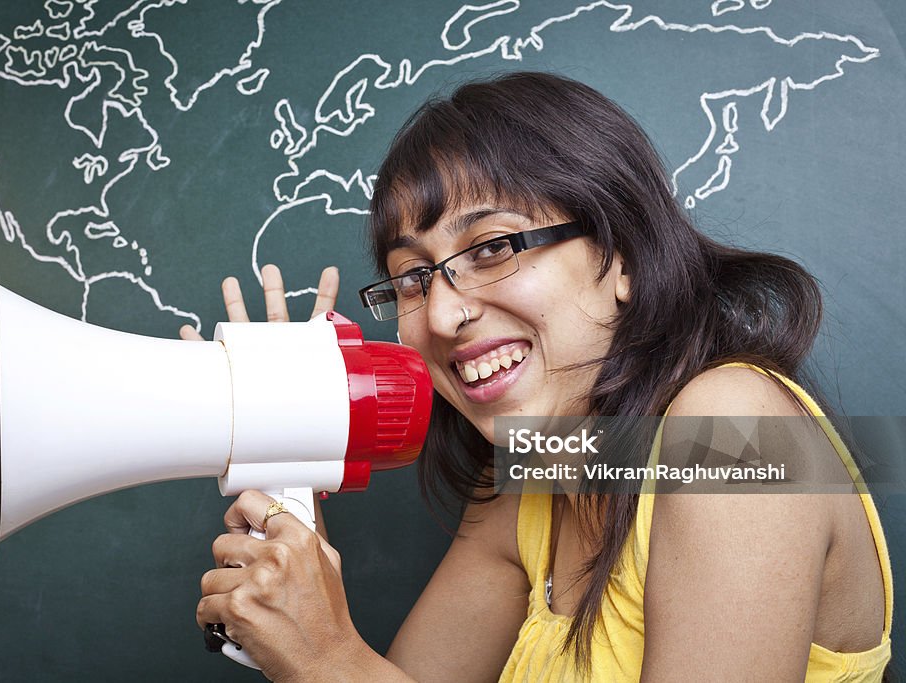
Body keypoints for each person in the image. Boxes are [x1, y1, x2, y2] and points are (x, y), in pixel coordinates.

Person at [181, 72, 892, 681]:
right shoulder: (532, 472)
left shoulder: (742, 429)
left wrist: (329, 659)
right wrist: (289, 517)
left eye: (492, 247)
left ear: (623, 258)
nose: (444, 312)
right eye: (412, 278)